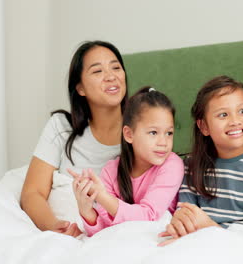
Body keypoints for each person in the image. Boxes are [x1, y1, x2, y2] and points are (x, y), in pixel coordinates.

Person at [20, 40, 128, 237]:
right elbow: (32, 192)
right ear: (80, 88)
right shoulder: (61, 126)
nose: (111, 76)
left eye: (116, 67)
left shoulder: (140, 133)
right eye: (98, 71)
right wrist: (54, 227)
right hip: (61, 233)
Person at [159, 75, 243, 246]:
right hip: (201, 242)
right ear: (204, 127)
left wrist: (210, 229)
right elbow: (187, 213)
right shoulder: (192, 164)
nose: (235, 121)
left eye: (242, 111)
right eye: (223, 114)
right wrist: (181, 225)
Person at [68, 87, 184, 237]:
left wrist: (102, 197)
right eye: (153, 132)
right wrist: (86, 209)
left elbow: (149, 216)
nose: (164, 142)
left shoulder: (172, 165)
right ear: (129, 134)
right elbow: (104, 231)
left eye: (169, 133)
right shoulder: (111, 171)